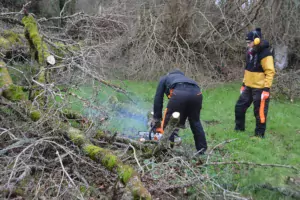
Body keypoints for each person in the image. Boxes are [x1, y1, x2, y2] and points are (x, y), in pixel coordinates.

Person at [152, 69, 207, 154]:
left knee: (168, 123)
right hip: (197, 94)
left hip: (179, 94)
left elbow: (158, 98)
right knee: (195, 121)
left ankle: (166, 150)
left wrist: (157, 118)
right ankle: (202, 150)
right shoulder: (186, 79)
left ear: (169, 74)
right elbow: (186, 100)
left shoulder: (165, 78)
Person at [235, 28, 275, 138]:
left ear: (256, 41)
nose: (248, 45)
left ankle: (259, 135)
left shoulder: (266, 54)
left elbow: (270, 72)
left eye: (249, 42)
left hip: (260, 88)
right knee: (239, 107)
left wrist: (266, 89)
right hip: (248, 86)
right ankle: (239, 130)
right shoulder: (250, 52)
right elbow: (248, 69)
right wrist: (244, 84)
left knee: (260, 113)